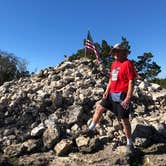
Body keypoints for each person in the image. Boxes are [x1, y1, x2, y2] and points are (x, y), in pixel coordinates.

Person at [87, 42, 137, 150]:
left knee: (124, 119)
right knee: (99, 108)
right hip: (111, 93)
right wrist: (106, 90)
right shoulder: (114, 64)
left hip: (122, 94)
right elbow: (111, 79)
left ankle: (129, 142)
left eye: (117, 51)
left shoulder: (128, 63)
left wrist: (128, 97)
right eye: (114, 51)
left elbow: (131, 81)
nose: (115, 54)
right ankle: (90, 129)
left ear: (123, 52)